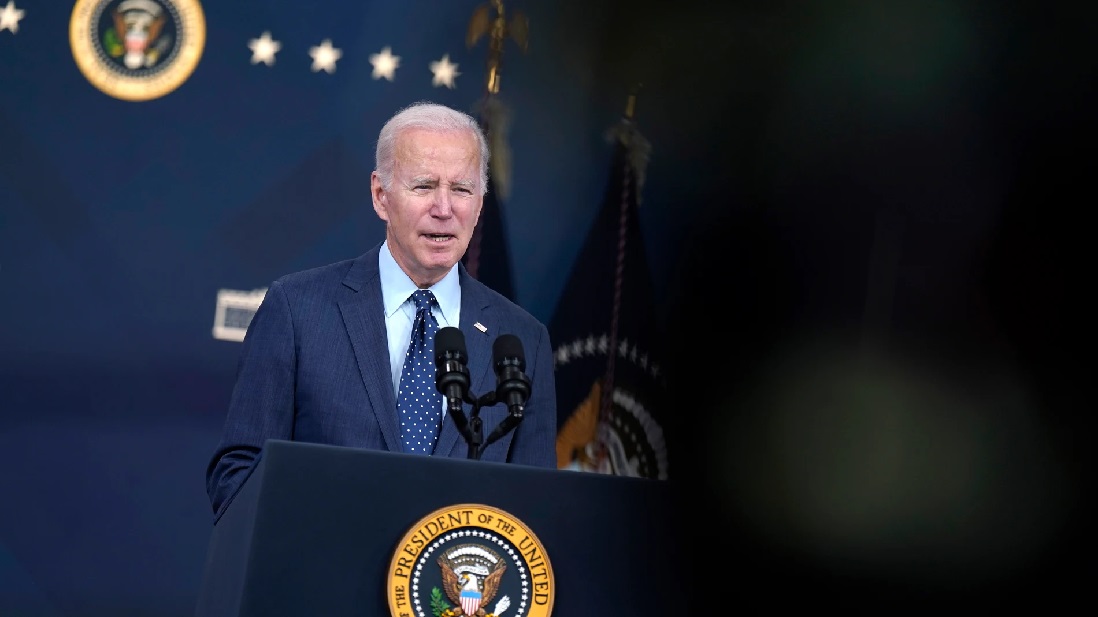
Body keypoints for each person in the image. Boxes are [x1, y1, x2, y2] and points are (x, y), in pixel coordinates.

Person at [205, 101, 558, 520]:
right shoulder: (298, 310)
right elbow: (237, 477)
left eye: (461, 190)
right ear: (380, 196)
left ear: (480, 204)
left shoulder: (521, 340)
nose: (444, 208)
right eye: (424, 186)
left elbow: (537, 509)